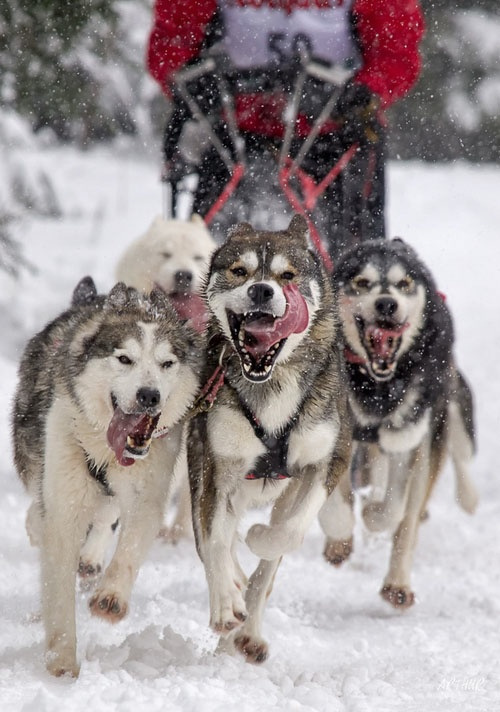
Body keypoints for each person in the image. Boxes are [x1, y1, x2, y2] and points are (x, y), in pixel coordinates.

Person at [146, 0, 425, 263]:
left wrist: (369, 90)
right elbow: (172, 39)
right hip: (235, 127)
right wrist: (188, 76)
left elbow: (395, 48)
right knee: (206, 245)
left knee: (354, 249)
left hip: (332, 130)